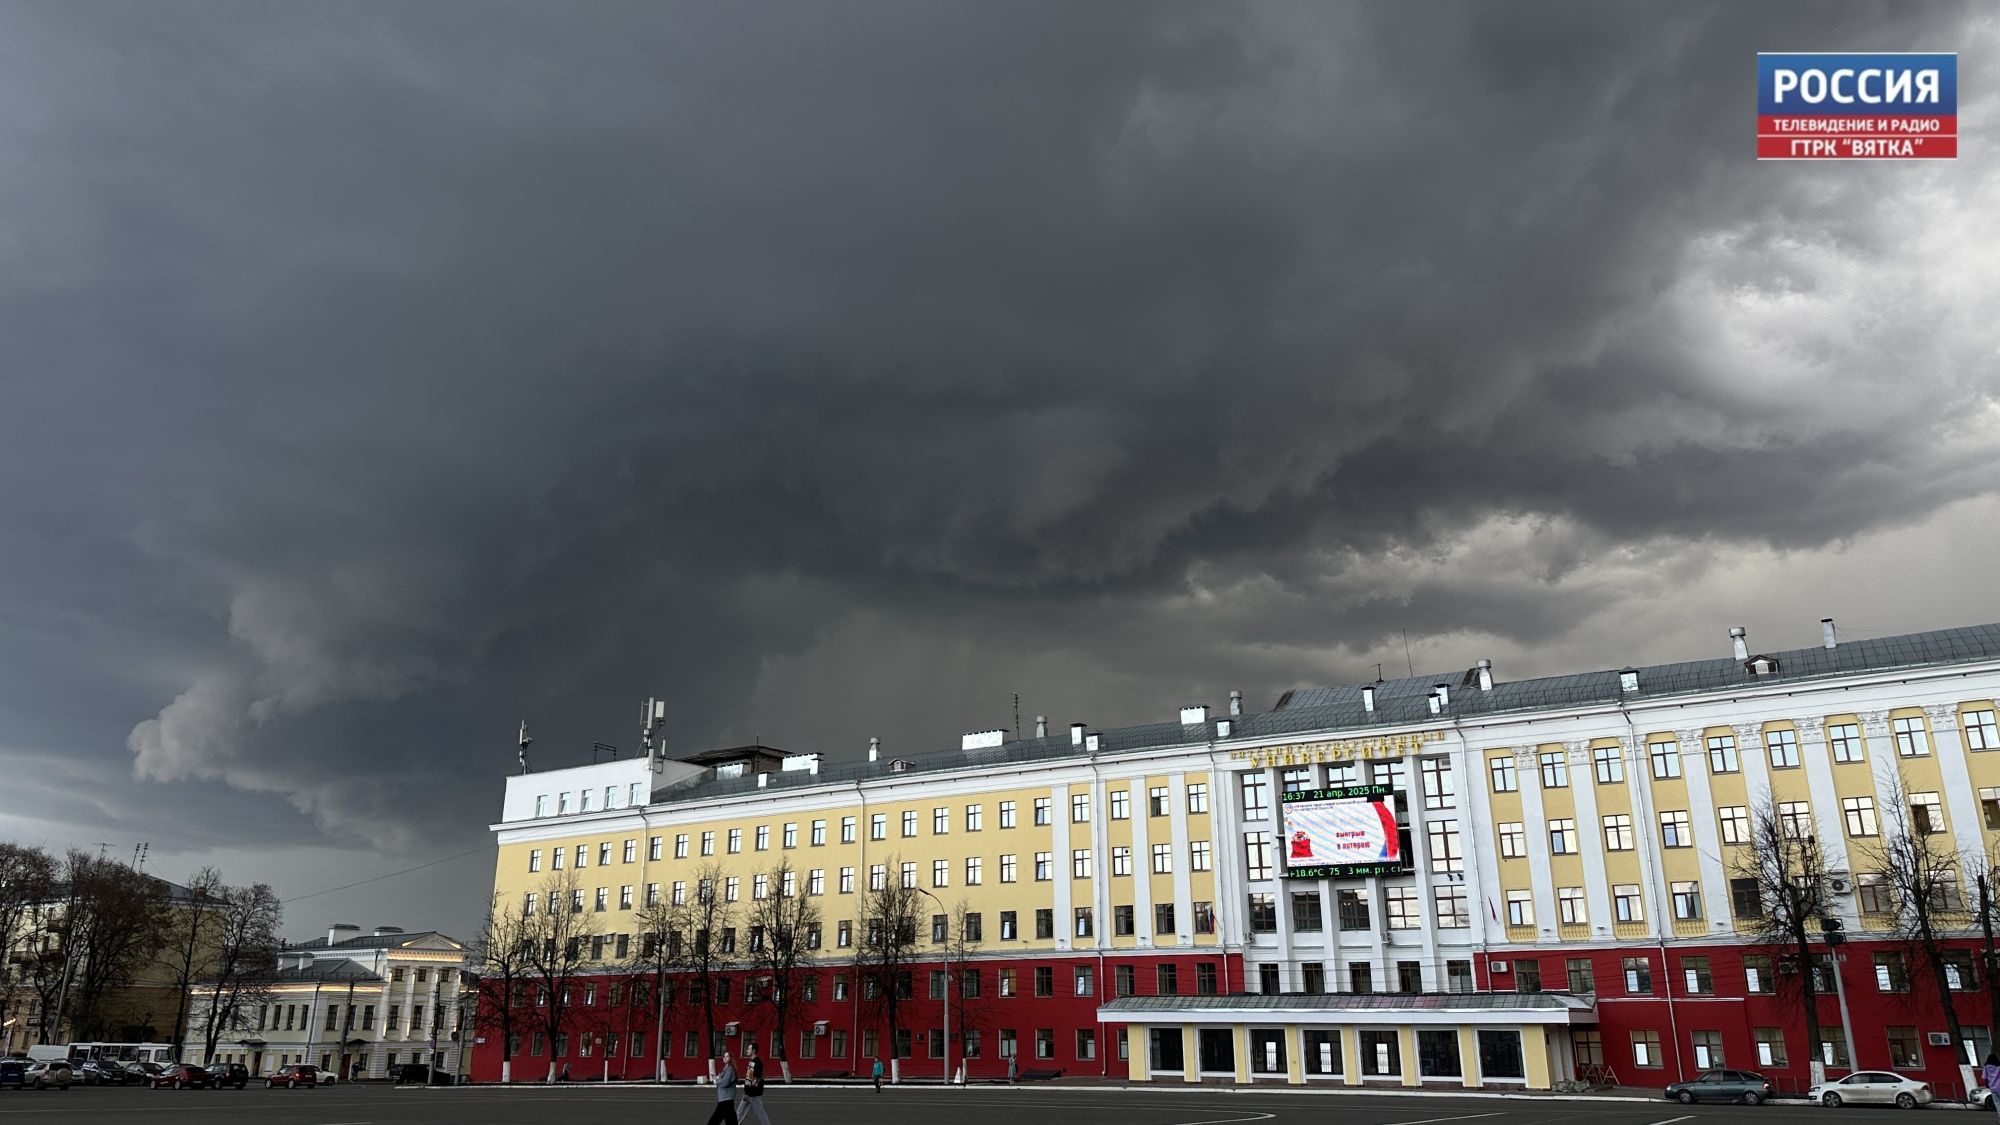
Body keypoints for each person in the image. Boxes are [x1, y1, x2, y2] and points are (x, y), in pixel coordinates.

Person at [738, 1043, 773, 1125]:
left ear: (753, 1051)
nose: (747, 1050)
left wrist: (752, 1086)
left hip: (754, 1095)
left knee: (761, 1115)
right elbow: (749, 1077)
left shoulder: (758, 1062)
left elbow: (757, 1079)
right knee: (739, 1113)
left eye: (749, 1049)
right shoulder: (751, 1061)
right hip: (748, 1093)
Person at [705, 1052, 739, 1125]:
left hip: (725, 1099)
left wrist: (716, 1080)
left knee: (714, 1120)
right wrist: (717, 1078)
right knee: (731, 1121)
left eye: (727, 1056)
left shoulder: (729, 1069)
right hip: (726, 1099)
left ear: (731, 1058)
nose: (725, 1058)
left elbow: (724, 1083)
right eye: (724, 1056)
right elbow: (723, 1080)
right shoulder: (726, 1068)